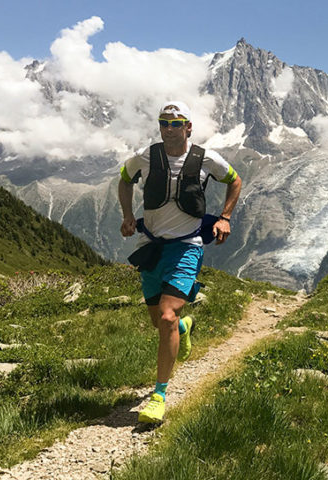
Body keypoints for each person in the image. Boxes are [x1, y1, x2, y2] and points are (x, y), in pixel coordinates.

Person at [118, 101, 242, 423]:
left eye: (176, 123)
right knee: (158, 322)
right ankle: (185, 328)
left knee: (168, 315)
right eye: (164, 123)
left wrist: (225, 217)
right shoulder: (146, 157)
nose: (169, 129)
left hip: (187, 246)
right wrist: (128, 215)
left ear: (189, 127)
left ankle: (158, 395)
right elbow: (124, 178)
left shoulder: (206, 159)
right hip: (152, 246)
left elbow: (235, 180)